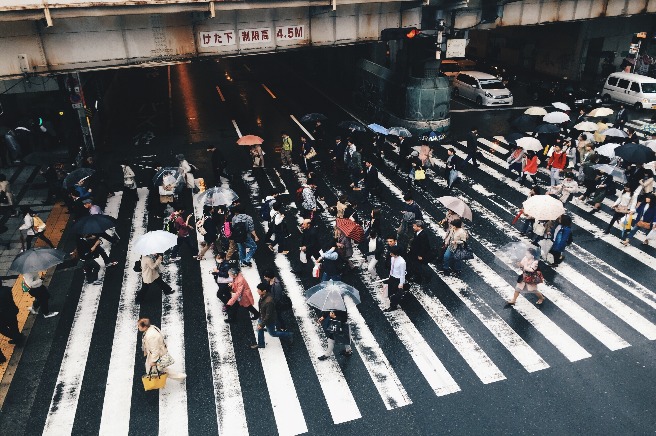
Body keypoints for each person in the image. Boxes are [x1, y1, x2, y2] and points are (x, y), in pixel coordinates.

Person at [250, 283, 293, 349]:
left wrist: (262, 324)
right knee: (259, 329)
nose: (257, 291)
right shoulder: (263, 296)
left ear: (264, 291)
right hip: (262, 317)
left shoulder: (269, 301)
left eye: (259, 290)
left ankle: (289, 335)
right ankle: (261, 344)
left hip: (269, 320)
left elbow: (268, 315)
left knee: (273, 333)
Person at [0, 279, 25, 348]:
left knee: (3, 329)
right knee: (14, 327)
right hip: (12, 311)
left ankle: (18, 338)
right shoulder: (7, 289)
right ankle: (17, 338)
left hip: (2, 316)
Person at [383, 245, 407, 312]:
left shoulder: (402, 262)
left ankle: (393, 306)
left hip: (397, 279)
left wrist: (401, 283)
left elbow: (402, 273)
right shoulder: (392, 258)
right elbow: (392, 268)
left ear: (396, 253)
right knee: (389, 292)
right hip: (392, 277)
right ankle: (393, 304)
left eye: (392, 253)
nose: (390, 254)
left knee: (394, 293)